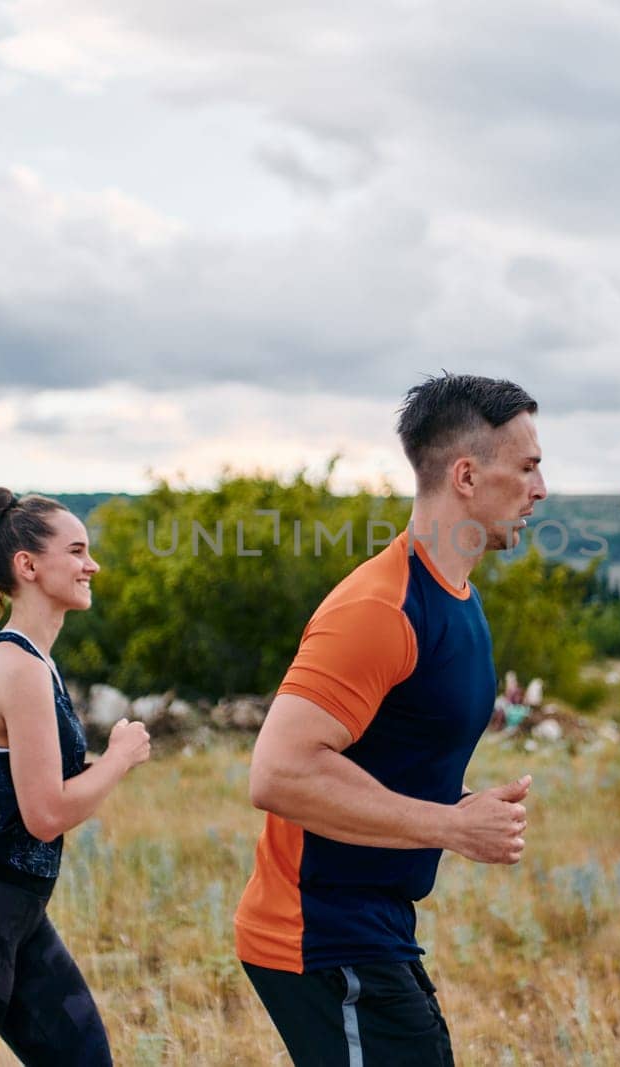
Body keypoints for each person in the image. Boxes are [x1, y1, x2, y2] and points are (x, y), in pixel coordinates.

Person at [235, 373, 547, 1066]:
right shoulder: (379, 608)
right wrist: (452, 826)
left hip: (373, 924)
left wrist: (458, 803)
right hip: (317, 932)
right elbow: (279, 772)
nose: (541, 488)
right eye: (527, 466)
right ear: (466, 474)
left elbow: (379, 759)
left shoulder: (455, 595)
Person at [0, 488, 150, 1066]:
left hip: (14, 918)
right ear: (28, 565)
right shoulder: (19, 667)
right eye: (78, 550)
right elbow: (46, 816)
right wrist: (118, 757)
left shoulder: (23, 659)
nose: (93, 565)